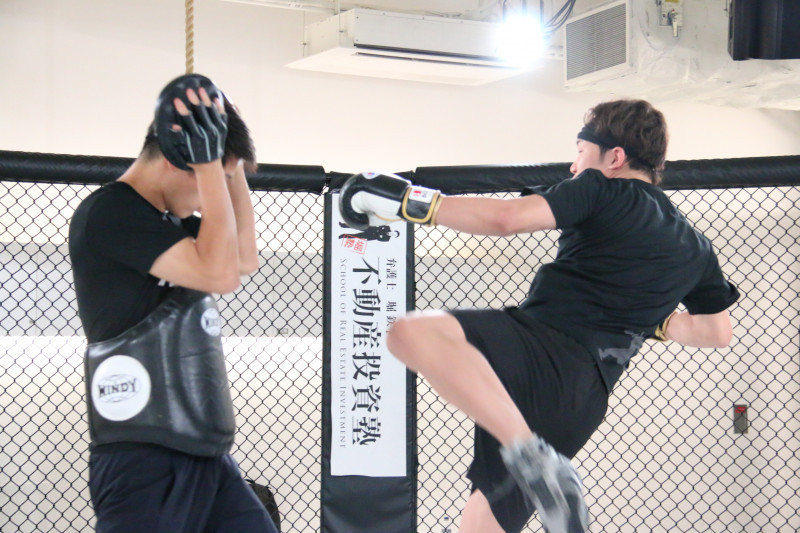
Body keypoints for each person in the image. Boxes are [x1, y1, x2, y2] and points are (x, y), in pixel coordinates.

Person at [338, 99, 740, 533]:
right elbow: (715, 332)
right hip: (582, 401)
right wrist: (648, 318)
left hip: (539, 350)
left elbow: (505, 219)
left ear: (614, 158)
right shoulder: (696, 246)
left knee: (411, 333)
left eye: (581, 152)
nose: (573, 166)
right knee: (481, 528)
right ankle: (539, 463)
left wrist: (406, 200)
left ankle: (529, 453)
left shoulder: (602, 189)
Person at [69, 74, 277, 533]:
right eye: (207, 181)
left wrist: (228, 165)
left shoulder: (168, 222)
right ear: (175, 161)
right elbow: (219, 275)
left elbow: (243, 257)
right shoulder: (111, 212)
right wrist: (210, 165)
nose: (209, 201)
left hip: (205, 453)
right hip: (144, 456)